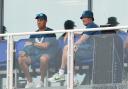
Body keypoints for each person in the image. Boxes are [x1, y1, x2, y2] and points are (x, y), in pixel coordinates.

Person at [48, 10, 100, 84]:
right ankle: (71, 78)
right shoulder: (90, 26)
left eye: (84, 18)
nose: (82, 19)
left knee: (67, 48)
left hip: (92, 52)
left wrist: (75, 45)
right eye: (82, 18)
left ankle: (63, 74)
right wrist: (72, 33)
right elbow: (83, 36)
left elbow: (83, 39)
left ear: (90, 18)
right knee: (68, 51)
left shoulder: (91, 26)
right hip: (89, 51)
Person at [18, 13, 56, 88]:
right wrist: (24, 52)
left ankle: (41, 81)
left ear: (46, 21)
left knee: (43, 58)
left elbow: (45, 45)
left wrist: (32, 43)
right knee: (21, 59)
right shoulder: (34, 34)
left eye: (41, 20)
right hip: (35, 56)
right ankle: (30, 81)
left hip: (47, 55)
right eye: (38, 20)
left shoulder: (50, 32)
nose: (38, 22)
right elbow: (27, 45)